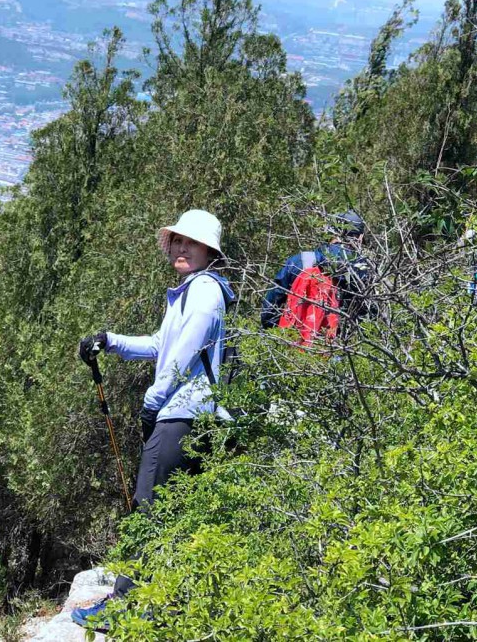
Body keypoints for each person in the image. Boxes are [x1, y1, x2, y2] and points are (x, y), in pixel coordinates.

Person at [70, 208, 235, 631]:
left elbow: (181, 355)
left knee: (148, 508)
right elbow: (162, 344)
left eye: (191, 243)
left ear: (208, 252)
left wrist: (153, 398)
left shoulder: (202, 292)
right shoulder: (196, 290)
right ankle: (165, 605)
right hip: (197, 414)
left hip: (181, 414)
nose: (181, 247)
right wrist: (109, 341)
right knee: (174, 512)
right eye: (177, 240)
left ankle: (124, 608)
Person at [260, 210, 370, 338]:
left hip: (294, 342)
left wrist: (274, 333)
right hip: (337, 347)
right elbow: (368, 316)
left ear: (331, 233)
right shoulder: (363, 269)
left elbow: (272, 303)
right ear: (360, 237)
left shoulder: (300, 260)